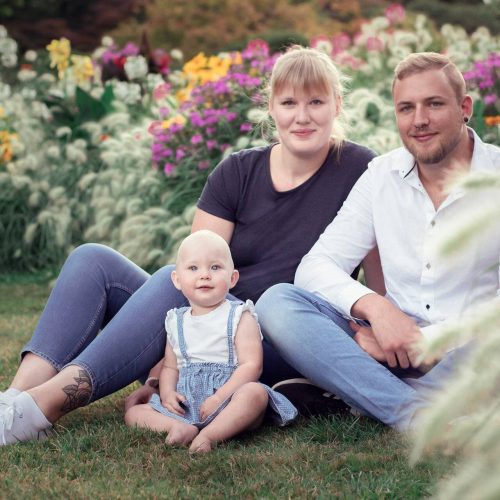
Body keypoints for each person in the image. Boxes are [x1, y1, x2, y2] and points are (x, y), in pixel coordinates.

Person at [0, 45, 382, 446]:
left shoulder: (359, 169)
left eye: (316, 101)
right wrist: (166, 366)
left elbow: (378, 284)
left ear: (337, 104)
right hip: (204, 328)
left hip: (274, 343)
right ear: (271, 107)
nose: (302, 116)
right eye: (289, 102)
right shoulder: (238, 171)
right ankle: (14, 401)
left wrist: (365, 332)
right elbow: (196, 268)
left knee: (169, 279)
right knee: (94, 260)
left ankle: (45, 405)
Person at [257, 52, 500, 432]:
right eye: (406, 108)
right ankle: (415, 411)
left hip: (469, 348)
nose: (419, 120)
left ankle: (362, 392)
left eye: (434, 104)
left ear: (464, 107)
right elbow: (316, 266)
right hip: (385, 345)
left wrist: (420, 341)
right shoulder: (380, 176)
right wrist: (376, 308)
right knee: (278, 303)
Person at [124, 230, 297, 453]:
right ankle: (177, 426)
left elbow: (251, 365)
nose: (205, 275)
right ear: (177, 279)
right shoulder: (176, 320)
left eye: (215, 267)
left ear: (232, 278)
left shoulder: (239, 315)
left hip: (229, 398)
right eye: (193, 268)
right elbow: (170, 366)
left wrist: (219, 397)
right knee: (134, 413)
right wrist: (167, 393)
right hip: (187, 403)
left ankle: (209, 435)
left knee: (255, 394)